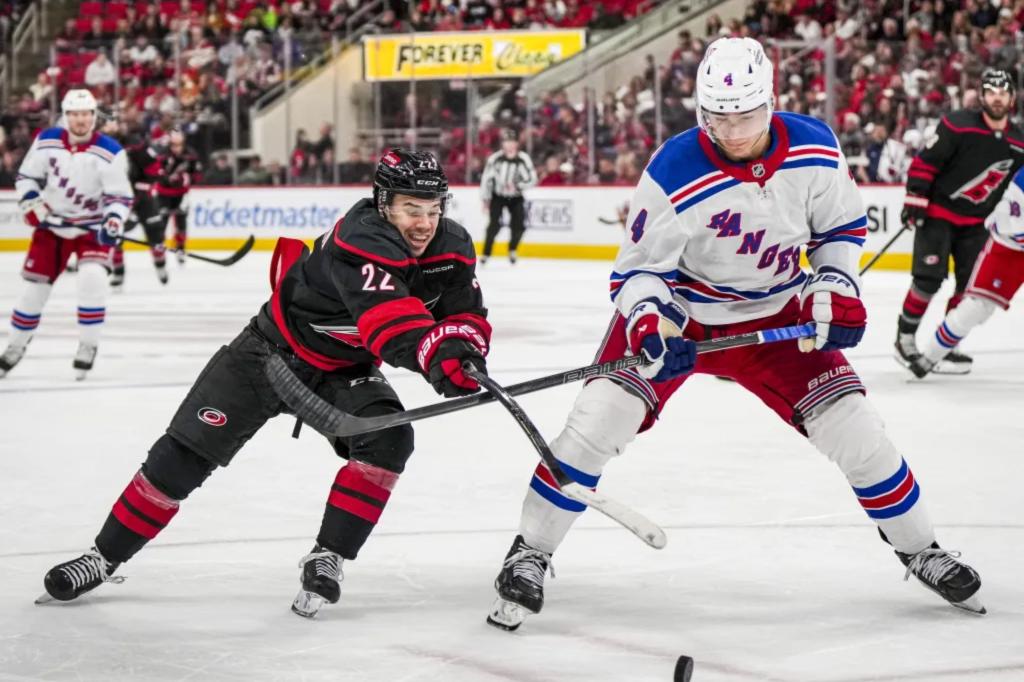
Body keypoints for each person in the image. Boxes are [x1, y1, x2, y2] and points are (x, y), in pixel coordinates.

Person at [484, 38, 986, 633]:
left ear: (770, 102)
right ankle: (531, 551)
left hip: (778, 316)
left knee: (857, 430)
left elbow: (840, 230)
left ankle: (920, 548)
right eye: (718, 117)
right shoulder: (673, 168)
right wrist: (648, 324)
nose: (733, 130)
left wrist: (835, 285)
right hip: (681, 313)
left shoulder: (815, 146)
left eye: (745, 115)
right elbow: (640, 271)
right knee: (595, 426)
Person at [39, 149, 492, 620]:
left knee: (388, 439)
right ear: (382, 203)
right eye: (410, 210)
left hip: (337, 371)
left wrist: (466, 353)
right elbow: (391, 325)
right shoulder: (361, 240)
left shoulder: (451, 246)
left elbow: (464, 313)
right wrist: (438, 356)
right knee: (183, 455)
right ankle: (102, 557)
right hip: (265, 356)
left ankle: (328, 556)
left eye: (434, 209)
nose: (424, 223)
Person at [895, 68, 1024, 375]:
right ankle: (905, 339)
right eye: (991, 92)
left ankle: (945, 346)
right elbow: (926, 161)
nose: (997, 98)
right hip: (939, 213)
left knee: (968, 288)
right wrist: (915, 196)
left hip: (978, 224)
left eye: (1002, 93)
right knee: (928, 278)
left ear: (1012, 98)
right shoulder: (958, 124)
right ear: (981, 96)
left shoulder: (1019, 141)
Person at [0, 89, 131, 380]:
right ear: (65, 115)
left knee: (92, 279)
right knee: (34, 292)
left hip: (91, 228)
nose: (81, 120)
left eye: (86, 114)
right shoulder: (47, 141)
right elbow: (26, 177)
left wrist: (113, 221)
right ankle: (16, 345)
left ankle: (88, 344)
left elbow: (120, 197)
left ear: (94, 117)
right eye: (75, 114)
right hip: (52, 227)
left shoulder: (110, 151)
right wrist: (32, 202)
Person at [908, 164, 1024, 377]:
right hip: (1009, 247)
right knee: (977, 307)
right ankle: (931, 357)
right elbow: (1017, 228)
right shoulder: (1022, 181)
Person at [110, 136, 168, 289]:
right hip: (122, 200)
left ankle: (160, 264)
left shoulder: (143, 152)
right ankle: (118, 271)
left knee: (155, 232)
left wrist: (142, 187)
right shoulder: (110, 153)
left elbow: (158, 175)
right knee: (115, 232)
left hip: (145, 200)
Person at [480, 128, 537, 264]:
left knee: (519, 225)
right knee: (494, 225)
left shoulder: (523, 158)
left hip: (516, 197)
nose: (510, 145)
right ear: (502, 144)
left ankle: (512, 249)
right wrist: (485, 199)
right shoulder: (495, 159)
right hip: (498, 196)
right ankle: (486, 253)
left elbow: (532, 179)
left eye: (512, 141)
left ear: (517, 143)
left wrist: (517, 186)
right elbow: (486, 180)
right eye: (507, 142)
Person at [153, 128, 202, 265]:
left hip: (181, 195)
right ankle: (159, 251)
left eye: (179, 145)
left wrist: (188, 178)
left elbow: (197, 174)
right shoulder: (162, 154)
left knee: (181, 224)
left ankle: (180, 249)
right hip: (163, 194)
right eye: (174, 145)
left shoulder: (191, 155)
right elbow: (154, 172)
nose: (177, 148)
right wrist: (165, 178)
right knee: (161, 224)